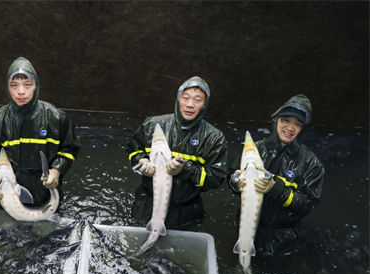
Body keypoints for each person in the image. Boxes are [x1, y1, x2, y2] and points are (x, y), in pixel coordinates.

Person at [227, 94, 325, 259]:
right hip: (244, 230)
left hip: (282, 239)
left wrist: (275, 188)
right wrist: (235, 183)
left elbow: (308, 204)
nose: (290, 127)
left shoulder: (311, 164)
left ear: (303, 129)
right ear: (276, 120)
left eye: (298, 124)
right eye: (286, 120)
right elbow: (230, 177)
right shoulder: (254, 149)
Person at [0, 57, 80, 207]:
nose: (21, 92)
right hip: (8, 194)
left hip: (46, 193)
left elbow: (70, 148)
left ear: (36, 86)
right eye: (14, 86)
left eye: (27, 85)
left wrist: (56, 171)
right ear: (7, 88)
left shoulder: (57, 117)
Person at [127, 76, 227, 228]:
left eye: (197, 100)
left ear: (205, 104)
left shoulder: (214, 138)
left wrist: (185, 169)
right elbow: (133, 150)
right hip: (147, 204)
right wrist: (142, 162)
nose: (190, 105)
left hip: (185, 211)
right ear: (178, 99)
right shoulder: (152, 124)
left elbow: (216, 178)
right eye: (185, 98)